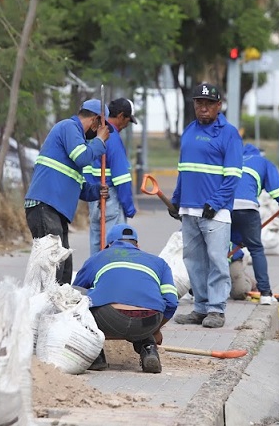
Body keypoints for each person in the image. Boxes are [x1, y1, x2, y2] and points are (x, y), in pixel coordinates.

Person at [170, 83, 243, 329]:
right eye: (199, 103)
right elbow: (184, 171)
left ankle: (217, 310)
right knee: (193, 260)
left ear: (218, 106)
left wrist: (216, 203)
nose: (203, 108)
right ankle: (200, 308)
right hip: (189, 209)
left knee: (216, 260)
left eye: (209, 104)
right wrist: (176, 199)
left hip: (215, 211)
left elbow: (232, 176)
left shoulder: (228, 134)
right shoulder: (189, 131)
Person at [24, 99, 110, 284]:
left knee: (63, 268)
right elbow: (82, 157)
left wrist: (97, 191)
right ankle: (44, 308)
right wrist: (100, 140)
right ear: (96, 121)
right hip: (44, 205)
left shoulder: (76, 139)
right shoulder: (69, 127)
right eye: (102, 127)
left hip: (55, 210)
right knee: (53, 265)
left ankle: (57, 309)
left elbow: (78, 186)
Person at [73, 223, 178, 374]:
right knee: (142, 308)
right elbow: (172, 302)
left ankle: (95, 355)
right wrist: (156, 329)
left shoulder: (97, 258)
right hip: (148, 322)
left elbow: (76, 292)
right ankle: (148, 349)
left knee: (75, 296)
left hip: (109, 319)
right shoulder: (159, 263)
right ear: (137, 245)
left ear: (109, 245)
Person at [231, 143, 279, 304]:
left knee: (219, 246)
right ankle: (265, 294)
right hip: (248, 208)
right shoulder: (263, 163)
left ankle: (198, 291)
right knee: (256, 249)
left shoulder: (230, 160)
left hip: (223, 207)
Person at [84, 97, 138, 256]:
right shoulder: (112, 137)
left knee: (96, 248)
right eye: (128, 120)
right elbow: (122, 178)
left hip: (94, 198)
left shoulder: (94, 134)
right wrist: (129, 207)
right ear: (121, 116)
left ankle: (94, 278)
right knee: (114, 247)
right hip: (109, 199)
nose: (126, 125)